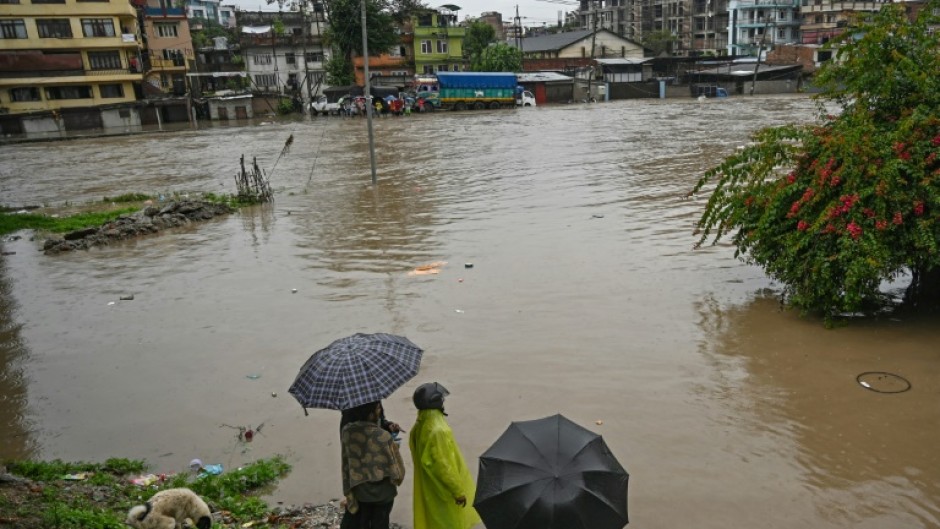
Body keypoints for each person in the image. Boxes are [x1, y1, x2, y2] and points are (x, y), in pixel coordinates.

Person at [409, 383, 481, 529]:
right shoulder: (438, 430)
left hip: (430, 487)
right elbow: (443, 465)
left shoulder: (421, 424)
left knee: (432, 521)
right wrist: (457, 491)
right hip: (443, 491)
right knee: (448, 523)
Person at [340, 401, 406, 529]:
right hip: (383, 495)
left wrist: (386, 425)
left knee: (363, 522)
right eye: (378, 408)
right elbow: (398, 471)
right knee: (380, 523)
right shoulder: (383, 436)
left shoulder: (347, 432)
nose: (380, 411)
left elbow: (347, 461)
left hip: (360, 491)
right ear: (370, 414)